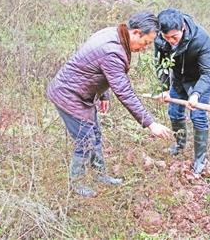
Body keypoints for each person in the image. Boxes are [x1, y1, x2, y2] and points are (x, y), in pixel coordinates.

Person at [47, 11, 171, 197]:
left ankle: (99, 175)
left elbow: (92, 66)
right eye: (146, 42)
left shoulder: (113, 33)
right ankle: (77, 182)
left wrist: (103, 94)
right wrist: (150, 123)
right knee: (85, 139)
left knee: (95, 134)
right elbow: (125, 92)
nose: (145, 48)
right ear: (136, 32)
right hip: (68, 95)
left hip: (81, 94)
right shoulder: (113, 51)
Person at [154, 8, 210, 175]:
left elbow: (209, 72)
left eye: (174, 37)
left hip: (198, 81)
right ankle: (180, 145)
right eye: (166, 37)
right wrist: (165, 88)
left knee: (198, 116)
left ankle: (199, 159)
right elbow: (161, 65)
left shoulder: (201, 39)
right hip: (178, 80)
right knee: (174, 113)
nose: (171, 41)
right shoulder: (160, 39)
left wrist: (196, 94)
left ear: (182, 27)